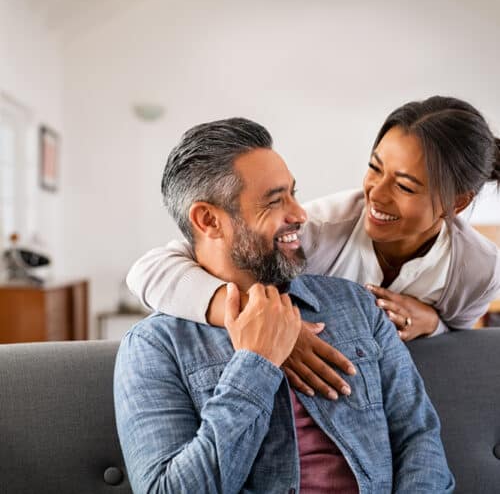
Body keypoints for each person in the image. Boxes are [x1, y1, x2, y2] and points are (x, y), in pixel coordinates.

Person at [114, 117, 454, 493]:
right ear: (209, 220)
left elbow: (419, 438)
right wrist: (254, 365)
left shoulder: (357, 305)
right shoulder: (154, 346)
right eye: (275, 201)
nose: (300, 214)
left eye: (293, 193)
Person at [127, 96, 500, 399]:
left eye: (404, 186)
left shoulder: (476, 270)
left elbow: (458, 342)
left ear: (457, 204)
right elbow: (150, 270)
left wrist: (432, 323)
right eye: (374, 168)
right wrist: (261, 324)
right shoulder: (318, 230)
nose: (377, 194)